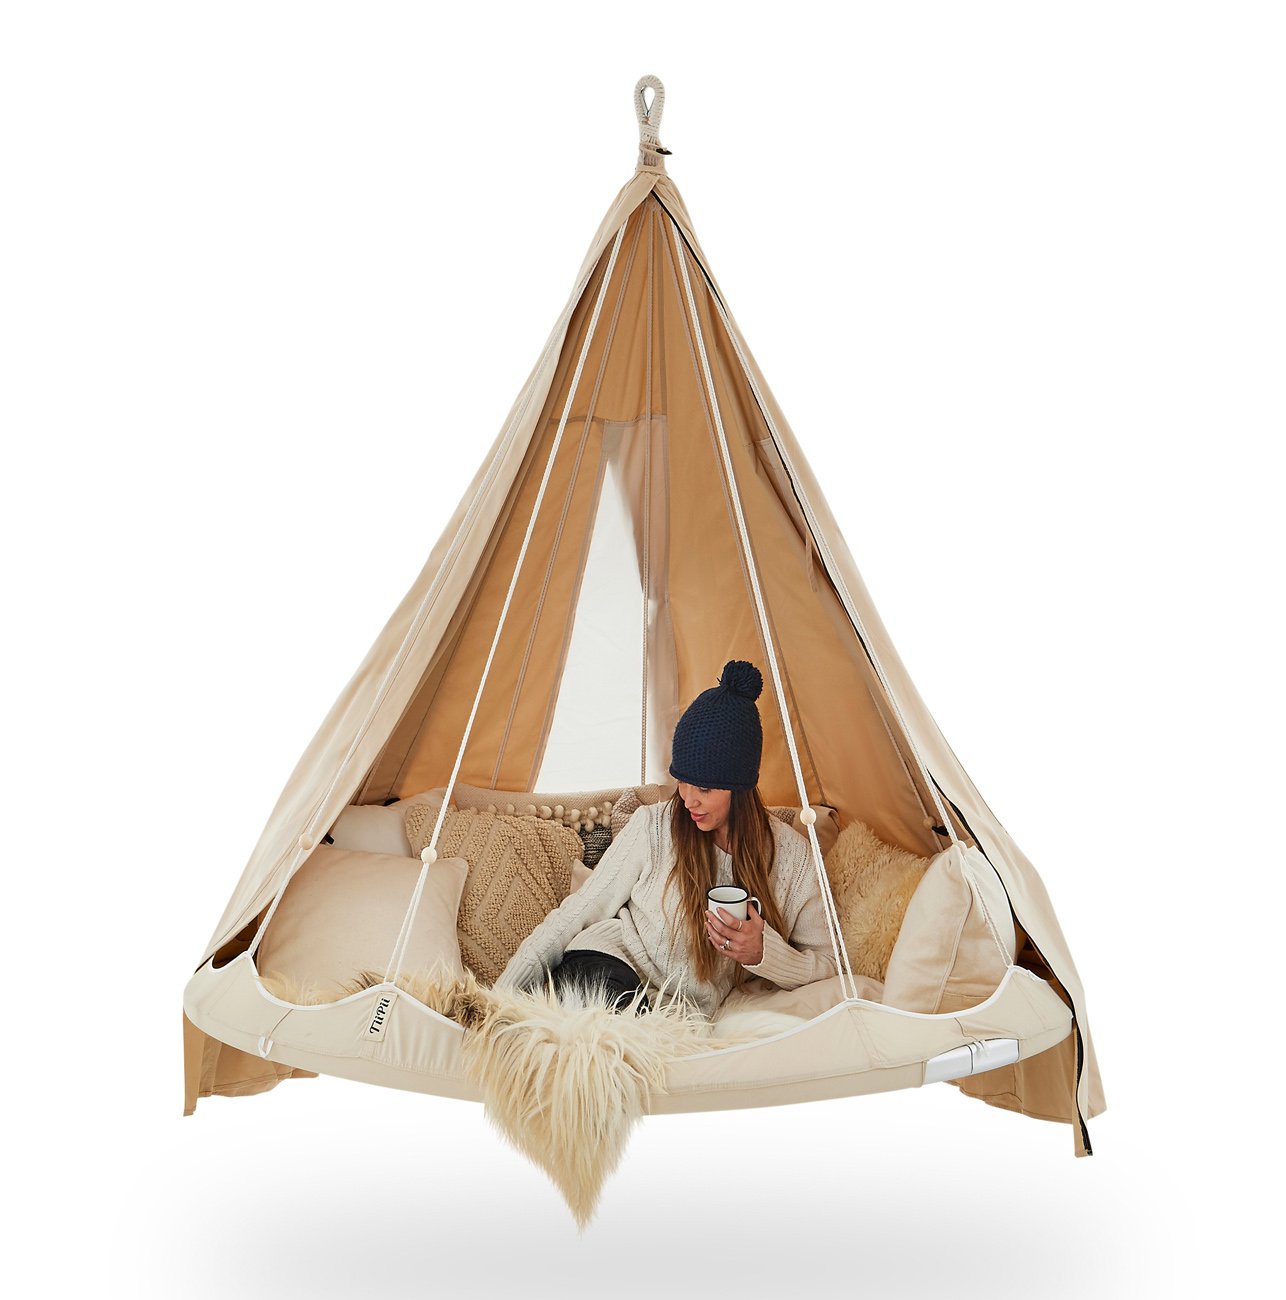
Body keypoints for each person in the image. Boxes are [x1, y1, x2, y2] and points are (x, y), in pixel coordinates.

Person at [494, 660, 838, 1016]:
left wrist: (764, 954)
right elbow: (577, 912)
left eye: (704, 788)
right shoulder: (652, 827)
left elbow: (831, 963)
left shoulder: (793, 858)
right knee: (605, 1030)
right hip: (607, 964)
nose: (688, 799)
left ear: (739, 788)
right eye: (682, 781)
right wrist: (497, 1000)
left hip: (676, 1014)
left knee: (644, 1038)